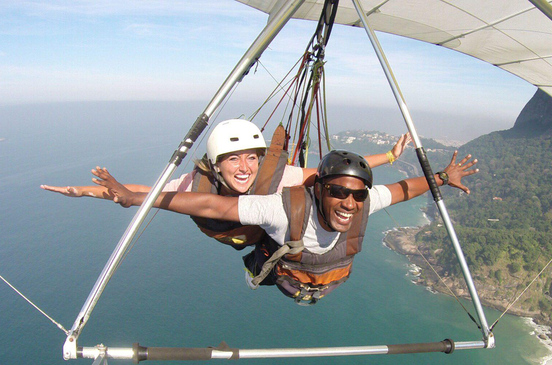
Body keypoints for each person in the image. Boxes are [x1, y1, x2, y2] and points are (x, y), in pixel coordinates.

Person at [89, 149, 478, 304]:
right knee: (267, 264)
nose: (349, 202)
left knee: (315, 266)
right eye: (339, 192)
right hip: (288, 277)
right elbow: (212, 203)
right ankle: (258, 269)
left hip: (324, 279)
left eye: (357, 195)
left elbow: (404, 188)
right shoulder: (281, 209)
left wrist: (442, 176)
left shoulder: (363, 203)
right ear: (320, 189)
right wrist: (134, 197)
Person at [42, 119, 412, 249]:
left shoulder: (276, 176)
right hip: (231, 232)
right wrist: (82, 191)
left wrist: (390, 158)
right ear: (216, 166)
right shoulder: (194, 184)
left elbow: (331, 174)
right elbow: (136, 192)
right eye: (233, 159)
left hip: (262, 232)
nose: (245, 167)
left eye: (252, 157)